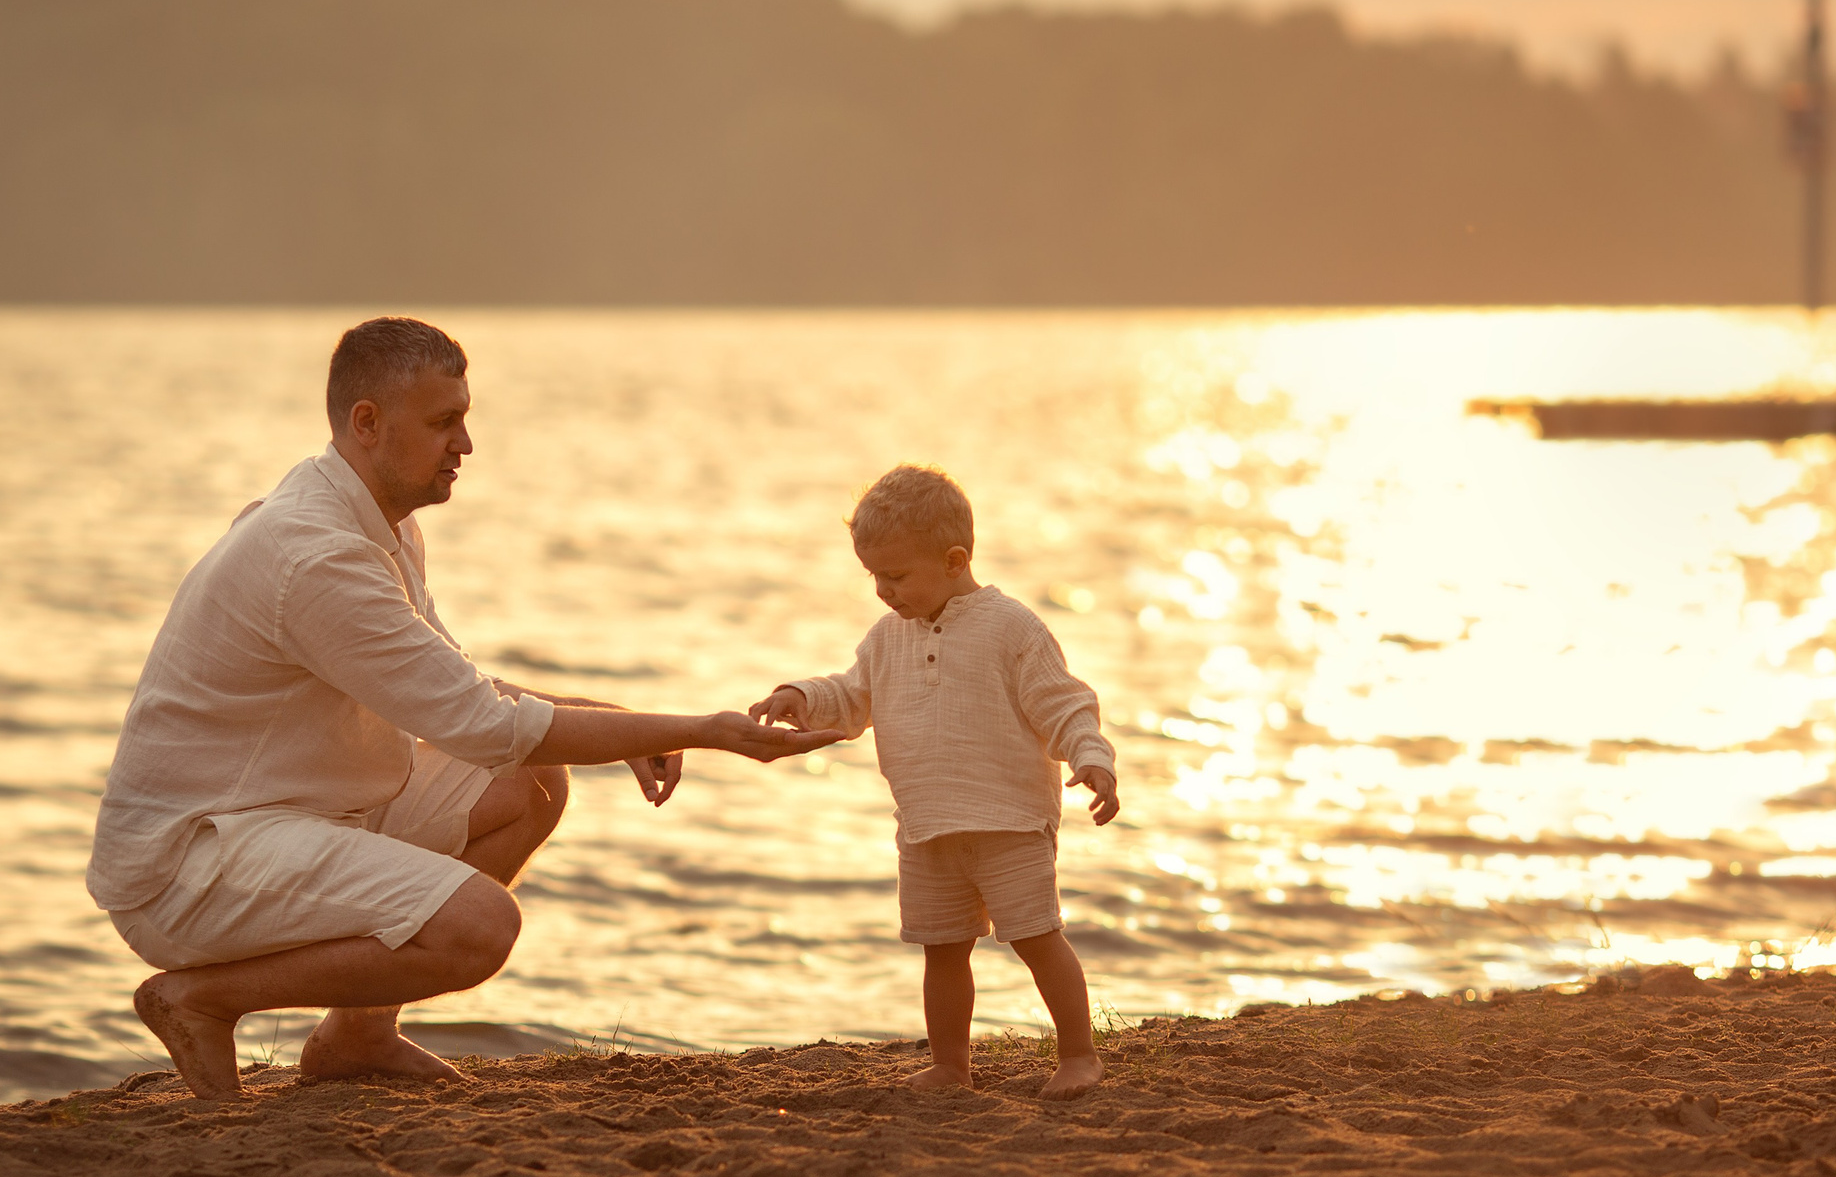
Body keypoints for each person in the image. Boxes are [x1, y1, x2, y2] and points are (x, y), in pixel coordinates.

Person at [88, 316, 838, 1100]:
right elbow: (484, 726)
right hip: (189, 865)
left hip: (283, 814)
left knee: (533, 784)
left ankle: (358, 1035)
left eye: (465, 417)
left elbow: (465, 697)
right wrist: (703, 729)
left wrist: (616, 722)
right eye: (446, 421)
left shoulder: (379, 523)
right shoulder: (317, 555)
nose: (467, 443)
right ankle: (199, 998)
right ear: (367, 424)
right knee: (479, 927)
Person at [749, 465, 1120, 1100]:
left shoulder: (1012, 630)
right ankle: (952, 1064)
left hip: (1008, 822)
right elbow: (850, 696)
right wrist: (800, 696)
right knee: (942, 950)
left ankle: (1079, 1054)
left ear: (954, 560)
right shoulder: (886, 639)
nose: (882, 591)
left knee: (1037, 937)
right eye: (873, 576)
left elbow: (1063, 703)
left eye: (895, 576)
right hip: (925, 826)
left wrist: (1092, 756)